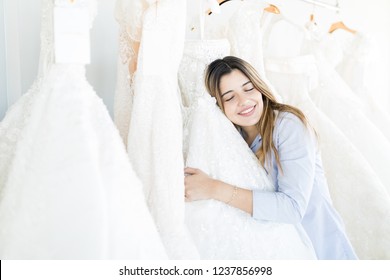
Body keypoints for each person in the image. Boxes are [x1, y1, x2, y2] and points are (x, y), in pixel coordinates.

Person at [184, 56, 358, 260]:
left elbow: (292, 208)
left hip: (320, 247)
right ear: (219, 106)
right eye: (230, 97)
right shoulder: (232, 139)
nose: (244, 101)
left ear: (260, 87)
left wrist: (213, 188)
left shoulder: (289, 126)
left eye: (248, 89)